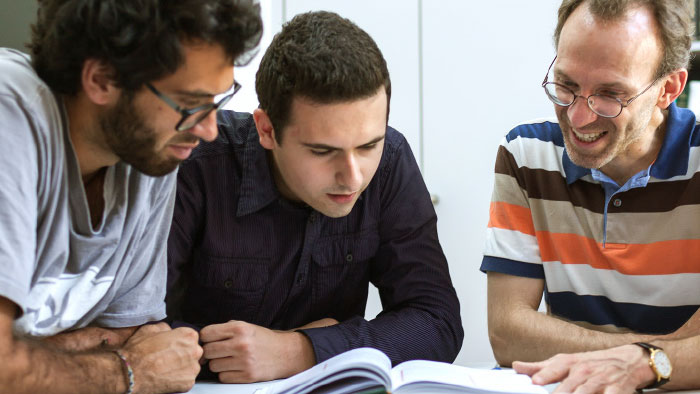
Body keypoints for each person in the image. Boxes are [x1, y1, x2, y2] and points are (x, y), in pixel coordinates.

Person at [167, 10, 464, 383]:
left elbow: (437, 322)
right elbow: (139, 334)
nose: (353, 177)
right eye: (323, 152)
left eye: (369, 145)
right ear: (267, 129)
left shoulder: (390, 162)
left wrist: (301, 349)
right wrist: (237, 355)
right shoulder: (197, 164)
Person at [0, 1, 261, 393]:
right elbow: (140, 358)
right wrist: (126, 372)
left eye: (217, 101)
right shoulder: (11, 114)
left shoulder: (149, 151)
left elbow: (142, 335)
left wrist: (30, 359)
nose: (209, 130)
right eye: (190, 104)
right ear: (102, 80)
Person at [480, 0, 700, 390]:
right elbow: (508, 334)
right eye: (566, 85)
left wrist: (639, 365)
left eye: (610, 94)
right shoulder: (526, 156)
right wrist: (657, 354)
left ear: (669, 89)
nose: (579, 117)